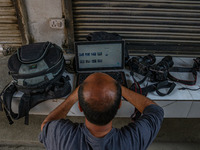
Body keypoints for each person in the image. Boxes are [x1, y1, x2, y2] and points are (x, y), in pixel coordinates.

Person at [39, 72, 164, 150]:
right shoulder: (132, 141)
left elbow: (46, 125)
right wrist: (119, 89)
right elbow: (156, 111)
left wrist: (73, 97)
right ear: (119, 104)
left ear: (81, 107)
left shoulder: (62, 136)